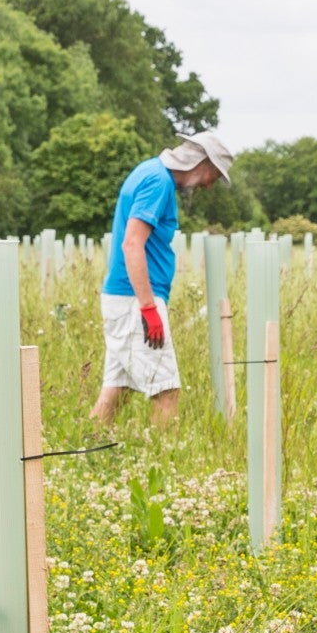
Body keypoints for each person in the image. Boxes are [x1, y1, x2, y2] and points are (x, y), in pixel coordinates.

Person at [90, 131, 234, 425]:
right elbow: (132, 243)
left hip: (127, 298)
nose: (209, 185)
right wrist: (147, 309)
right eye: (214, 176)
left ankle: (84, 453)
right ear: (201, 162)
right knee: (167, 393)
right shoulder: (158, 182)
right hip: (136, 301)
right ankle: (164, 465)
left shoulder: (148, 171)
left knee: (117, 389)